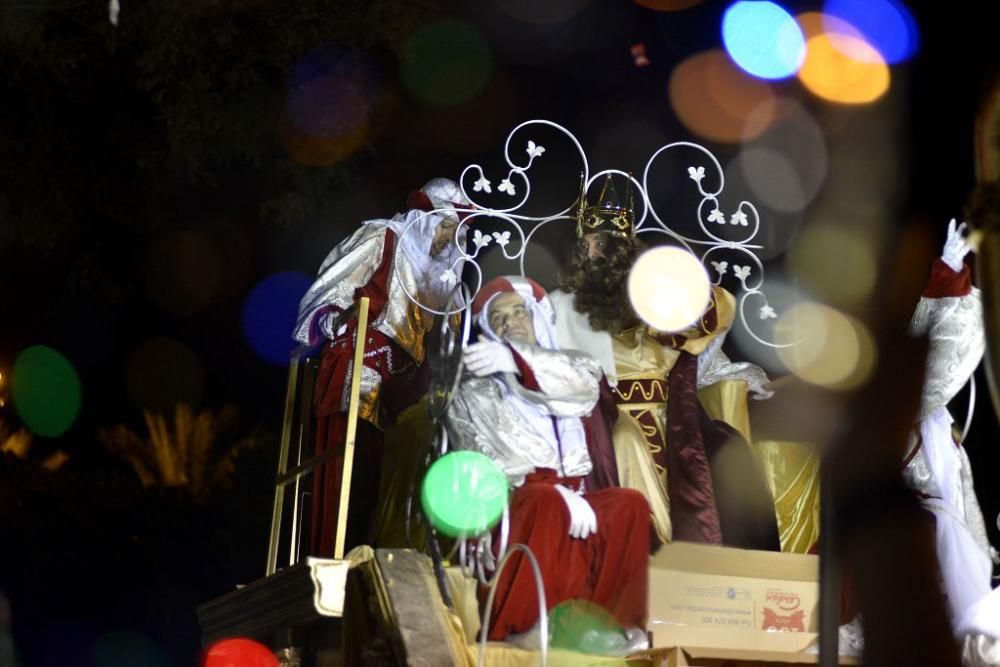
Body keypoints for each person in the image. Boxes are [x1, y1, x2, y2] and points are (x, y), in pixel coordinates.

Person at [549, 175, 779, 550]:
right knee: (625, 440)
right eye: (590, 243)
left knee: (726, 447)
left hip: (669, 419)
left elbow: (704, 337)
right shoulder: (558, 307)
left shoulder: (652, 302)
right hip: (601, 418)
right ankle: (647, 549)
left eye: (607, 244)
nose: (597, 252)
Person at [445, 275, 650, 653]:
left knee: (628, 505)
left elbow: (582, 390)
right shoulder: (474, 391)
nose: (510, 323)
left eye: (518, 312)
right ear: (489, 330)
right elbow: (483, 466)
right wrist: (550, 488)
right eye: (499, 318)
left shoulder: (572, 367)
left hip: (576, 496)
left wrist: (517, 360)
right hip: (516, 503)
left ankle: (613, 625)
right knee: (545, 501)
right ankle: (521, 627)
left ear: (536, 317)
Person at [292, 178, 470, 556]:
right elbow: (332, 285)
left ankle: (390, 553)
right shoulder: (383, 236)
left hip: (408, 382)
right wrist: (335, 320)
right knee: (353, 468)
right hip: (362, 363)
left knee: (402, 468)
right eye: (445, 227)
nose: (446, 239)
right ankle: (340, 554)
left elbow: (453, 330)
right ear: (425, 217)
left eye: (455, 232)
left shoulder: (444, 274)